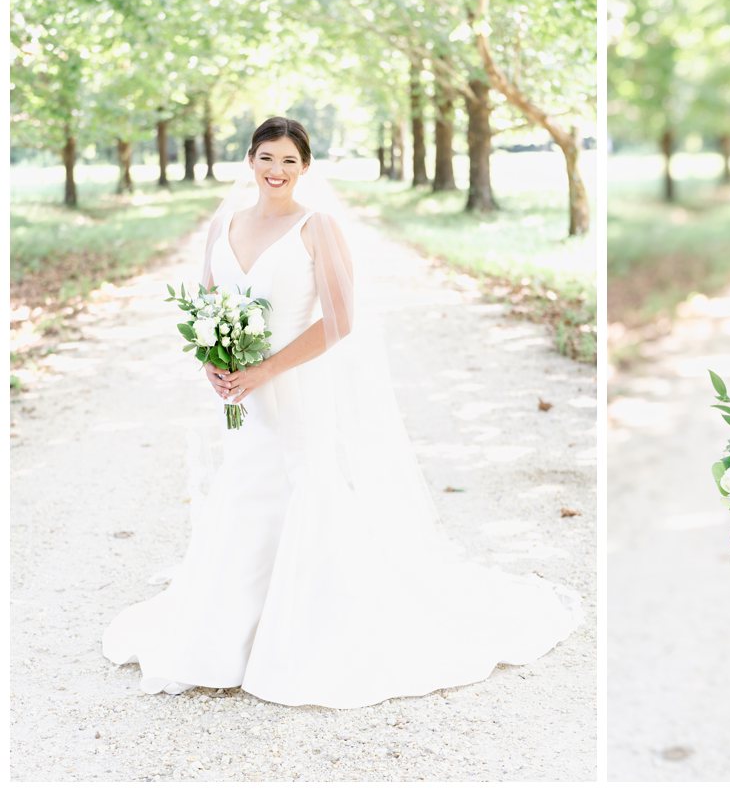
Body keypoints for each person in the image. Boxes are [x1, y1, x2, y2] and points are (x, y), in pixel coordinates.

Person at [102, 116, 580, 708]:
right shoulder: (223, 226)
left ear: (305, 170)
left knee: (303, 487)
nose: (277, 171)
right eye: (267, 157)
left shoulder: (316, 226)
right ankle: (228, 635)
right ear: (249, 160)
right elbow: (204, 303)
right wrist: (214, 364)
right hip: (243, 395)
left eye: (290, 162)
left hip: (294, 388)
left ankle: (302, 633)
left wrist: (265, 369)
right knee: (247, 486)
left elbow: (340, 319)